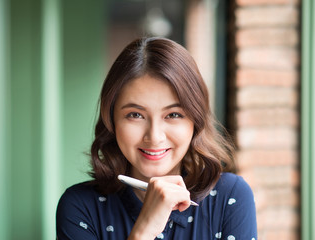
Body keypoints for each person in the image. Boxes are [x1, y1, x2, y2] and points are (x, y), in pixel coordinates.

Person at [56, 37, 257, 240]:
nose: (154, 137)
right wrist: (144, 230)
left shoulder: (230, 196)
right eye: (135, 115)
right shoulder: (80, 207)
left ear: (195, 121)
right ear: (112, 120)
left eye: (173, 115)